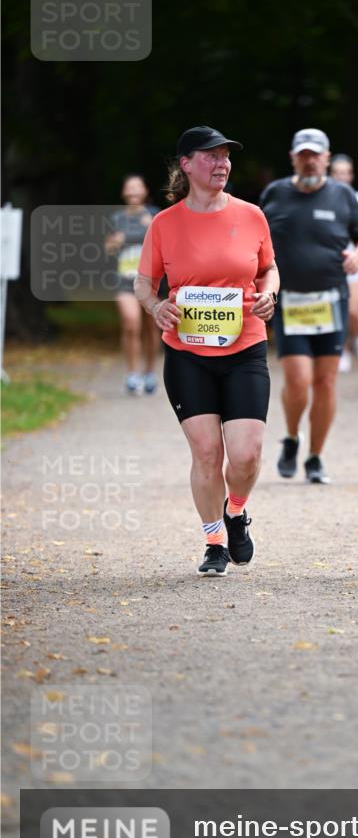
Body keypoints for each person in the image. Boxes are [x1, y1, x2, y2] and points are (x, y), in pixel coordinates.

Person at [134, 126, 279, 576]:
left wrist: (269, 293)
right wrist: (156, 306)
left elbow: (269, 268)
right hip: (187, 353)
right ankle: (215, 539)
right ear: (186, 165)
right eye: (211, 156)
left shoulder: (252, 215)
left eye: (226, 157)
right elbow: (143, 282)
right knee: (207, 454)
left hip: (245, 347)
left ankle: (236, 511)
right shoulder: (164, 223)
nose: (222, 164)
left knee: (246, 454)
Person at [260, 129, 358, 483]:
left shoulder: (342, 195)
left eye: (316, 154)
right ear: (293, 157)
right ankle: (292, 437)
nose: (310, 160)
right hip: (291, 302)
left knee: (325, 382)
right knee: (298, 380)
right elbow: (256, 239)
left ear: (326, 158)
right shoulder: (275, 194)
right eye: (303, 154)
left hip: (331, 300)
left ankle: (315, 458)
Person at [105, 175, 160, 395]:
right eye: (129, 188)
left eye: (137, 187)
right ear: (124, 193)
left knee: (150, 327)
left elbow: (167, 245)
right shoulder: (116, 219)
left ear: (145, 191)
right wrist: (113, 243)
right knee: (130, 323)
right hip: (125, 281)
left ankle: (149, 372)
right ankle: (132, 374)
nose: (133, 191)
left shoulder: (155, 215)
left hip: (150, 282)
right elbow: (108, 249)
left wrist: (152, 230)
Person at [330, 153, 358, 371]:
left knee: (354, 310)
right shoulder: (322, 199)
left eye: (345, 173)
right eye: (337, 173)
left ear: (351, 175)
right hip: (332, 264)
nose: (341, 177)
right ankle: (344, 349)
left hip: (356, 262)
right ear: (331, 175)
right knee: (338, 310)